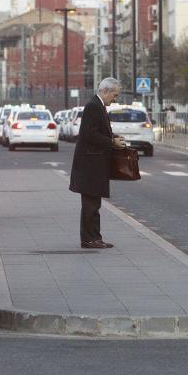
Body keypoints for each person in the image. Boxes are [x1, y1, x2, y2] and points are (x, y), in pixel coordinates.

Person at [69, 78, 126, 249]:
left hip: (94, 164)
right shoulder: (94, 106)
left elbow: (98, 130)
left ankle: (95, 237)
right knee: (90, 205)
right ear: (106, 91)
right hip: (90, 165)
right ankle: (88, 239)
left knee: (95, 203)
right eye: (114, 95)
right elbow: (89, 134)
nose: (114, 99)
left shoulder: (98, 105)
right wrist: (112, 143)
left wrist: (113, 136)